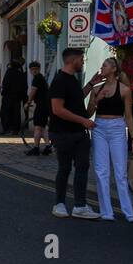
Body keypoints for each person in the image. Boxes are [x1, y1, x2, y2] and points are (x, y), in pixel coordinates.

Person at [47, 47, 99, 220]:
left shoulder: (72, 79)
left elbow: (77, 97)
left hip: (79, 133)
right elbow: (57, 109)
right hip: (63, 133)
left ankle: (80, 205)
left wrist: (91, 83)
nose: (83, 61)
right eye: (81, 59)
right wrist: (83, 121)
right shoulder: (60, 80)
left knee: (82, 167)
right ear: (73, 60)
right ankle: (59, 204)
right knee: (64, 168)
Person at [86, 58, 133, 222]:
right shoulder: (96, 89)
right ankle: (106, 211)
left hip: (117, 127)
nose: (101, 68)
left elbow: (129, 116)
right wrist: (97, 99)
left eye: (105, 65)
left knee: (120, 171)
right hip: (99, 126)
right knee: (101, 171)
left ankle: (129, 212)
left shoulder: (124, 90)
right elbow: (88, 113)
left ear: (114, 69)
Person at [25, 62, 52, 156]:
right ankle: (48, 146)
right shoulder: (42, 78)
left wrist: (28, 103)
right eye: (33, 69)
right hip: (46, 105)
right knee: (43, 127)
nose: (34, 71)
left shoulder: (36, 79)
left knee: (37, 127)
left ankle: (36, 148)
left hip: (41, 105)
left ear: (39, 69)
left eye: (35, 69)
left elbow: (33, 92)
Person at [0, 59, 28, 136]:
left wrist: (3, 92)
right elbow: (24, 86)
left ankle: (7, 128)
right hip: (17, 96)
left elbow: (5, 83)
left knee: (6, 112)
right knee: (16, 113)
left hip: (8, 96)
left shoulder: (9, 72)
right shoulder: (20, 74)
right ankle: (15, 129)